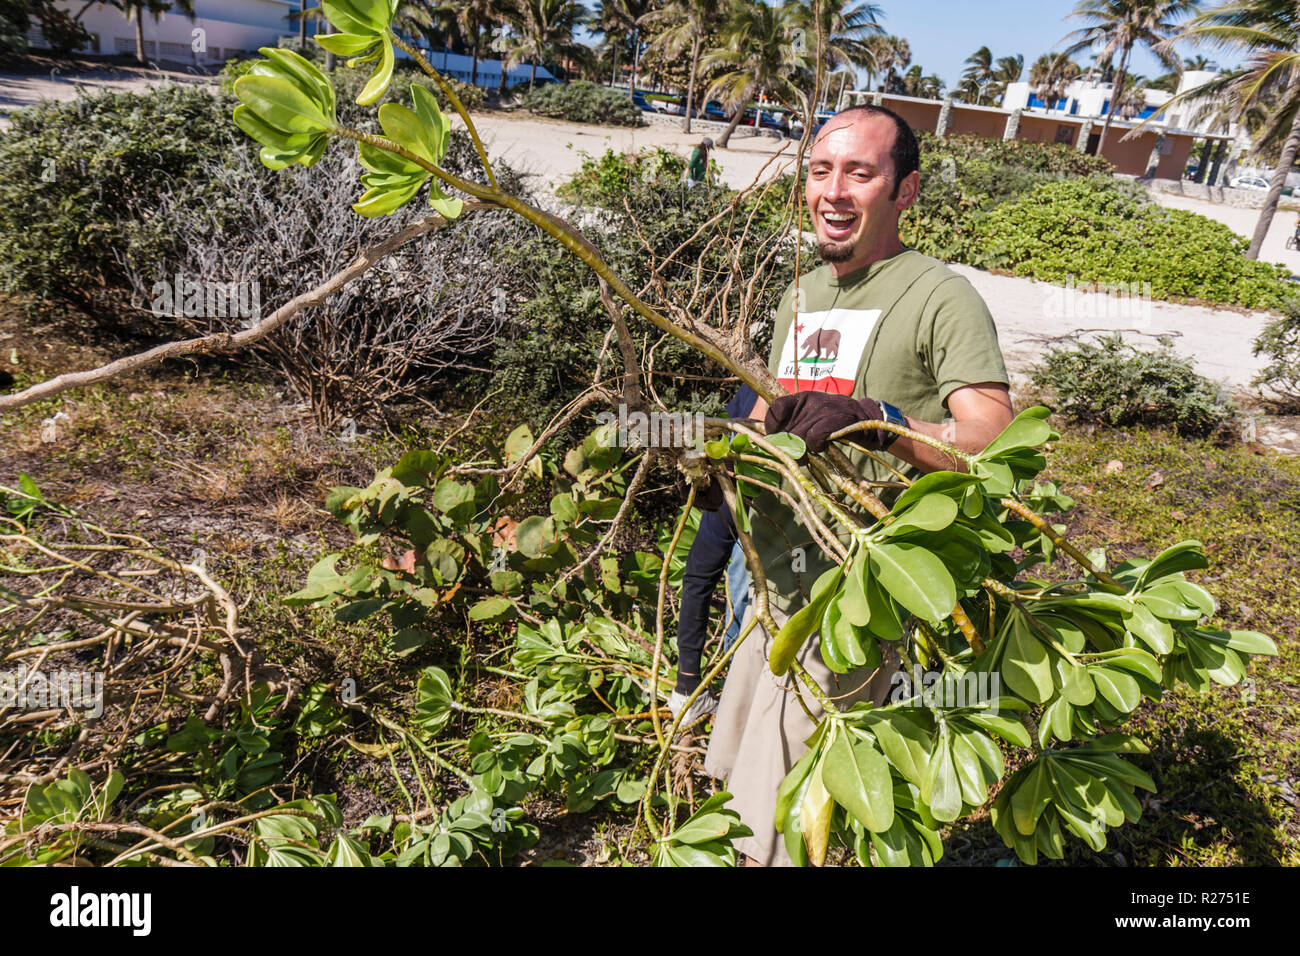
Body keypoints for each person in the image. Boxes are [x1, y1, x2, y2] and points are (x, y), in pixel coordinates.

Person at [702, 105, 1014, 866]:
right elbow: (787, 427)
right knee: (737, 797)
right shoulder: (799, 295)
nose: (833, 191)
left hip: (852, 602)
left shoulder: (940, 295)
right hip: (772, 590)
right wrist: (729, 469)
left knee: (776, 830)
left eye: (859, 173)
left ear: (905, 191)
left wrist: (883, 421)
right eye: (820, 171)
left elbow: (994, 441)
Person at [667, 385, 757, 729]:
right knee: (730, 571)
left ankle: (738, 688)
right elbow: (698, 577)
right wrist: (687, 682)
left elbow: (698, 578)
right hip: (739, 490)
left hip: (769, 500)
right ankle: (717, 684)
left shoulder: (735, 488)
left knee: (743, 580)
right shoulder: (746, 394)